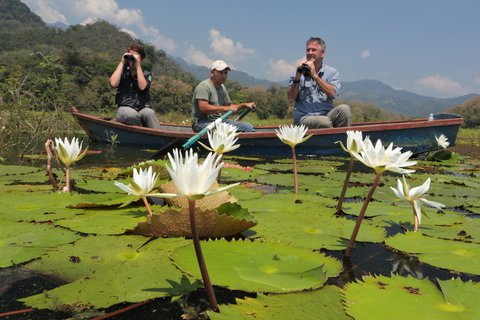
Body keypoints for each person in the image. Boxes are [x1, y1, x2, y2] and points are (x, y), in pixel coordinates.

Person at [287, 37, 351, 128]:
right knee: (324, 121)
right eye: (308, 50)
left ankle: (342, 139)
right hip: (304, 118)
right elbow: (290, 99)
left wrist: (315, 76)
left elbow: (334, 94)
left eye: (313, 50)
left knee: (345, 109)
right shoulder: (297, 73)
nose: (309, 53)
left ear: (322, 53)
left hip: (326, 115)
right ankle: (333, 138)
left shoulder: (332, 72)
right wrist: (297, 77)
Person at [192, 60, 256, 132]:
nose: (223, 76)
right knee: (222, 128)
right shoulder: (204, 86)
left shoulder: (222, 88)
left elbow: (230, 106)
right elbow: (203, 108)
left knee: (248, 127)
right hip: (202, 122)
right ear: (212, 72)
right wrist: (226, 108)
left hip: (220, 120)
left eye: (225, 73)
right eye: (220, 72)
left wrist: (244, 105)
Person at [109, 44, 161, 129]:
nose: (132, 61)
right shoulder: (123, 72)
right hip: (125, 108)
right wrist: (122, 62)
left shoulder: (147, 74)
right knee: (131, 115)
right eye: (130, 58)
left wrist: (138, 66)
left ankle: (160, 138)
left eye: (135, 58)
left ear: (142, 59)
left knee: (150, 113)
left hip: (142, 109)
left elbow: (142, 87)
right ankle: (143, 133)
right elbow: (113, 84)